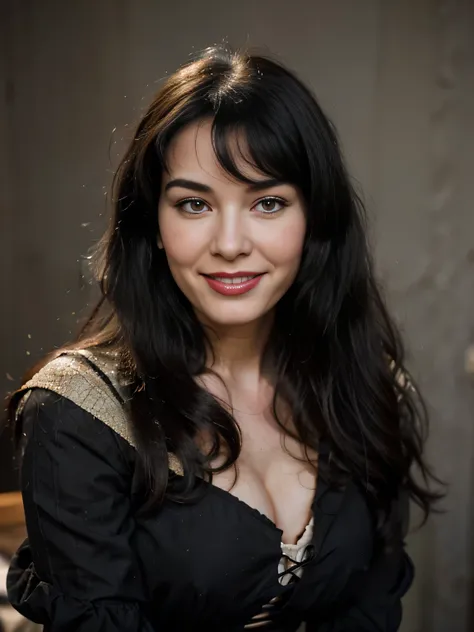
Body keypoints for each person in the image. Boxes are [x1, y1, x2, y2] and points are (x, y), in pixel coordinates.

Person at [6, 46, 439, 632]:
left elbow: (370, 605)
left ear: (313, 220)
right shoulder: (79, 414)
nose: (230, 242)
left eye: (267, 202)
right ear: (154, 226)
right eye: (193, 204)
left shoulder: (362, 379)